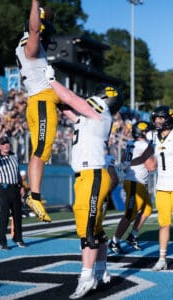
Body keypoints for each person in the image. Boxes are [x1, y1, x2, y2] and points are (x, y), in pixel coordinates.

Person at [15, 0, 101, 223]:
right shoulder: (30, 44)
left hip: (42, 102)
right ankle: (34, 196)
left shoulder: (32, 47)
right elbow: (34, 29)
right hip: (42, 101)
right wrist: (35, 4)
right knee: (42, 151)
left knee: (41, 151)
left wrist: (45, 13)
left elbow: (39, 27)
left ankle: (34, 195)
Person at [45, 66, 124, 298]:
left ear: (104, 98)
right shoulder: (92, 117)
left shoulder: (101, 113)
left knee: (87, 230)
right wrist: (50, 93)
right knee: (96, 228)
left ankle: (86, 277)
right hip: (87, 175)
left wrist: (50, 79)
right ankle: (100, 271)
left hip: (92, 174)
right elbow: (68, 107)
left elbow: (70, 98)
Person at [109, 121, 157, 254]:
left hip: (134, 180)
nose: (149, 133)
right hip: (136, 182)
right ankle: (114, 241)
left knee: (147, 209)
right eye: (147, 131)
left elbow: (125, 159)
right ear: (142, 132)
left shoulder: (131, 143)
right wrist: (155, 154)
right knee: (130, 214)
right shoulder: (144, 145)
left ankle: (132, 236)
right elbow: (151, 167)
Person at [150, 106, 173, 271]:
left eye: (161, 118)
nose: (158, 121)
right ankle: (162, 258)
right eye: (156, 118)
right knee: (163, 224)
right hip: (162, 186)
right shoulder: (153, 137)